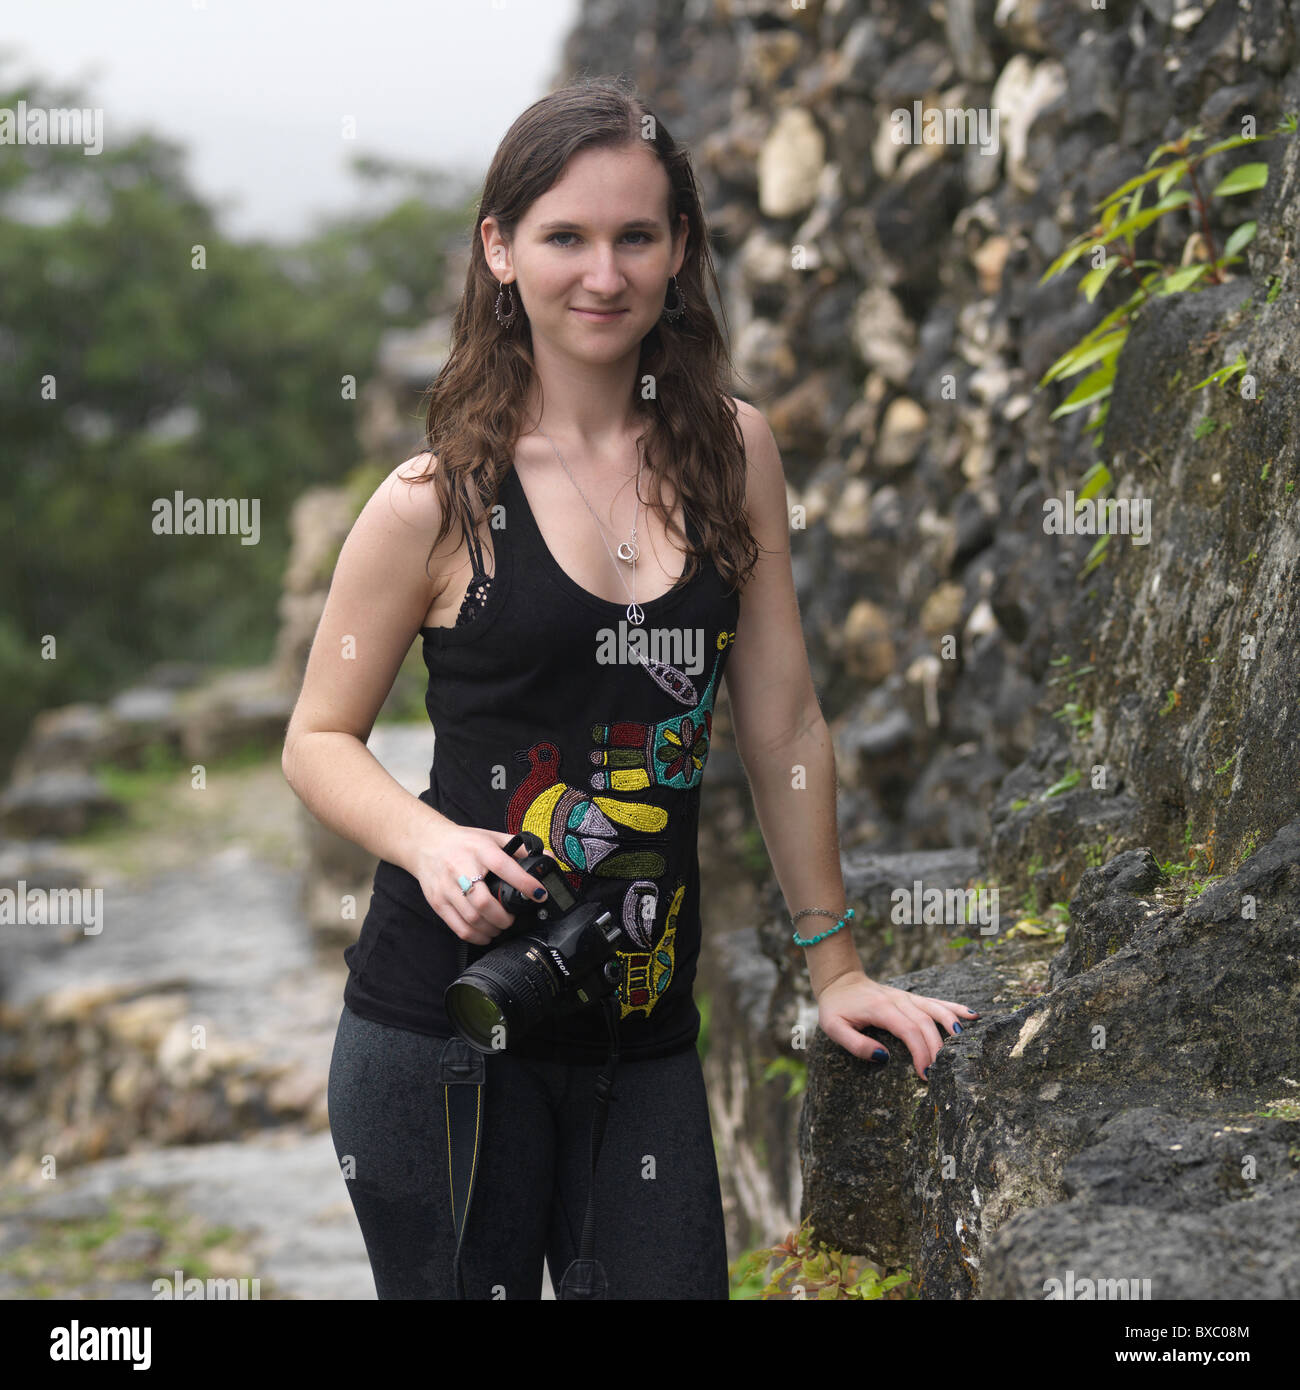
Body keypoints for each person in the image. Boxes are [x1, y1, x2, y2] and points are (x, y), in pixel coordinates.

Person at [282, 75, 979, 1301]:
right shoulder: (433, 500)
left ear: (679, 251)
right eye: (563, 237)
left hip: (641, 1031)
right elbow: (318, 739)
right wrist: (435, 844)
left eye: (634, 237)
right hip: (445, 1030)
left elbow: (783, 718)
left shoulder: (731, 447)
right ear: (499, 249)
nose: (600, 274)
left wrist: (837, 970)